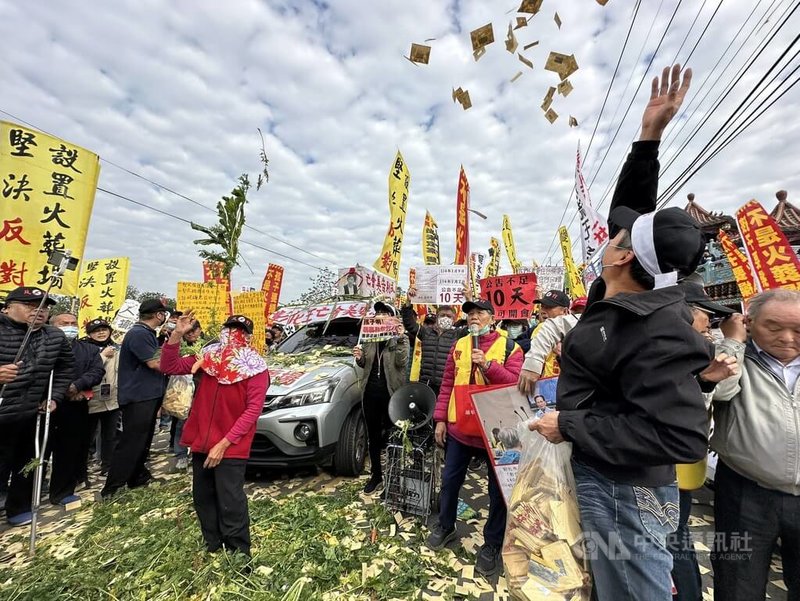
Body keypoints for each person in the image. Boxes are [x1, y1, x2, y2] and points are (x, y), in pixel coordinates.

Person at [528, 65, 713, 600]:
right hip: (606, 479)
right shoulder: (618, 297)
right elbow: (628, 212)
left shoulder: (656, 326)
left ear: (624, 253)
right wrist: (648, 136)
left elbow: (680, 437)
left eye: (619, 236)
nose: (610, 233)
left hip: (626, 494)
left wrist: (573, 425)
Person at [710, 289, 800, 601]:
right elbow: (717, 392)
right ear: (749, 322)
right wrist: (733, 342)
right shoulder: (732, 354)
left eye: (799, 330)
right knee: (736, 584)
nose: (787, 338)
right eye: (773, 328)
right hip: (744, 493)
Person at [427, 299, 523, 577]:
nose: (474, 317)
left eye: (480, 313)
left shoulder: (510, 348)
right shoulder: (459, 346)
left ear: (492, 318)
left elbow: (516, 385)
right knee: (449, 482)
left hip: (496, 433)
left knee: (497, 493)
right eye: (470, 314)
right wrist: (441, 419)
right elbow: (447, 383)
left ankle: (491, 544)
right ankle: (445, 526)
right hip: (460, 428)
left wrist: (489, 366)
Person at [161, 313, 269, 556]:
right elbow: (169, 366)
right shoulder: (206, 358)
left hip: (231, 445)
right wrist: (177, 333)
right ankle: (214, 546)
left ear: (249, 338)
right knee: (203, 497)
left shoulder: (256, 368)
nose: (233, 335)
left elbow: (253, 411)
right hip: (202, 441)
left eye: (239, 331)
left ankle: (239, 553)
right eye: (229, 329)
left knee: (230, 500)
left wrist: (224, 443)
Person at [669, 280, 737, 601]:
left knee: (676, 538)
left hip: (681, 466)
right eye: (704, 314)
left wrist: (731, 344)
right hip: (667, 466)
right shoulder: (679, 350)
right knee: (674, 538)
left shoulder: (701, 349)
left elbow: (725, 387)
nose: (709, 322)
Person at [0, 287, 74, 526]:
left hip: (32, 410)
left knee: (28, 461)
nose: (39, 312)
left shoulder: (53, 336)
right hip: (2, 409)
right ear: (8, 307)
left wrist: (54, 396)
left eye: (44, 307)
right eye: (31, 306)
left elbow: (65, 367)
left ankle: (18, 507)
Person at [101, 298, 171, 499]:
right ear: (158, 315)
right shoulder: (139, 334)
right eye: (163, 314)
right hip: (139, 396)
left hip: (148, 394)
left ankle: (137, 476)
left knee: (144, 439)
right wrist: (183, 365)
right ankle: (112, 488)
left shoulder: (148, 333)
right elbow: (154, 363)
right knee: (132, 441)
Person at [47, 313, 105, 505]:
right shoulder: (43, 346)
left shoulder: (87, 349)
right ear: (53, 325)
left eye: (73, 323)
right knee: (38, 451)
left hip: (76, 403)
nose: (70, 327)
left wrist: (77, 386)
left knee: (70, 449)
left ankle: (62, 491)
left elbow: (96, 371)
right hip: (44, 403)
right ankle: (25, 495)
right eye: (65, 324)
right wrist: (61, 390)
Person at [353, 301, 409, 494]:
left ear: (392, 318)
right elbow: (364, 365)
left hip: (392, 395)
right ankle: (376, 475)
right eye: (378, 313)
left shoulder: (399, 340)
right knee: (374, 437)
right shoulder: (368, 339)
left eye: (385, 312)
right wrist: (359, 357)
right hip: (370, 394)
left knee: (393, 437)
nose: (380, 316)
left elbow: (402, 363)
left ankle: (393, 479)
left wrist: (401, 338)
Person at [401, 301, 465, 397]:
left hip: (446, 385)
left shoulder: (457, 334)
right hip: (425, 383)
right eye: (442, 315)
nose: (445, 318)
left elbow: (473, 327)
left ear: (454, 319)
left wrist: (469, 300)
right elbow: (409, 324)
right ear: (437, 317)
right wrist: (408, 304)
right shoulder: (426, 332)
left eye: (449, 316)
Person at [84, 319, 120, 477]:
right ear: (89, 334)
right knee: (86, 436)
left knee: (110, 435)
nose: (101, 333)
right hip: (90, 399)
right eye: (96, 330)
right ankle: (80, 471)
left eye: (104, 329)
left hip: (111, 398)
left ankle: (108, 466)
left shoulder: (116, 348)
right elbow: (85, 369)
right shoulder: (83, 348)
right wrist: (103, 356)